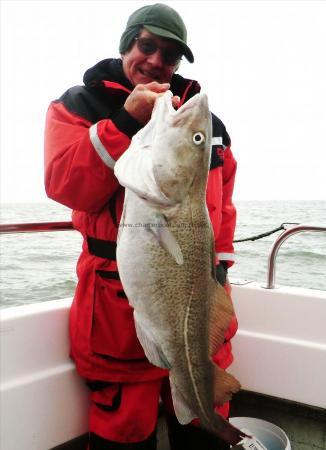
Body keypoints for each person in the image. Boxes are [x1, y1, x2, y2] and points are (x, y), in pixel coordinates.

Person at [44, 3, 238, 449]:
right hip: (116, 314)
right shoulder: (80, 104)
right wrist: (124, 120)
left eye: (169, 56)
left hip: (196, 302)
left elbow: (223, 206)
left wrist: (220, 271)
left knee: (205, 426)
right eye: (146, 46)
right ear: (126, 43)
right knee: (125, 432)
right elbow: (64, 184)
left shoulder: (205, 125)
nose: (155, 61)